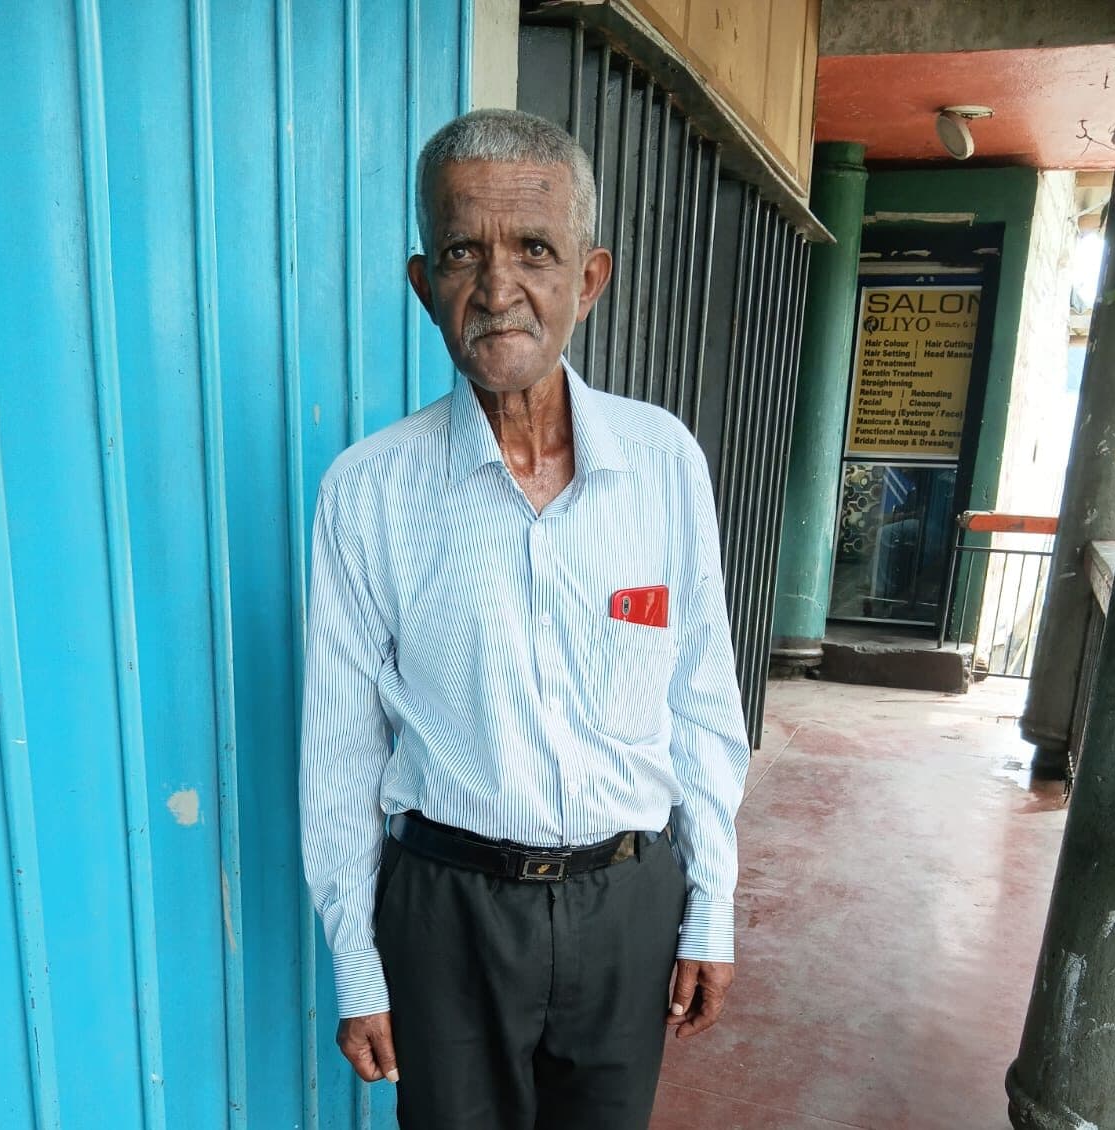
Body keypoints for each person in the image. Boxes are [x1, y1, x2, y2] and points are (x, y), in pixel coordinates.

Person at [300, 108, 749, 1130]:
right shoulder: (366, 493)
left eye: (534, 251)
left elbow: (703, 702)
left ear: (588, 279)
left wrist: (710, 902)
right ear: (426, 286)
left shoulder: (664, 462)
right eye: (465, 251)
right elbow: (338, 751)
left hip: (627, 901)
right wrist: (355, 962)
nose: (499, 289)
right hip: (446, 909)